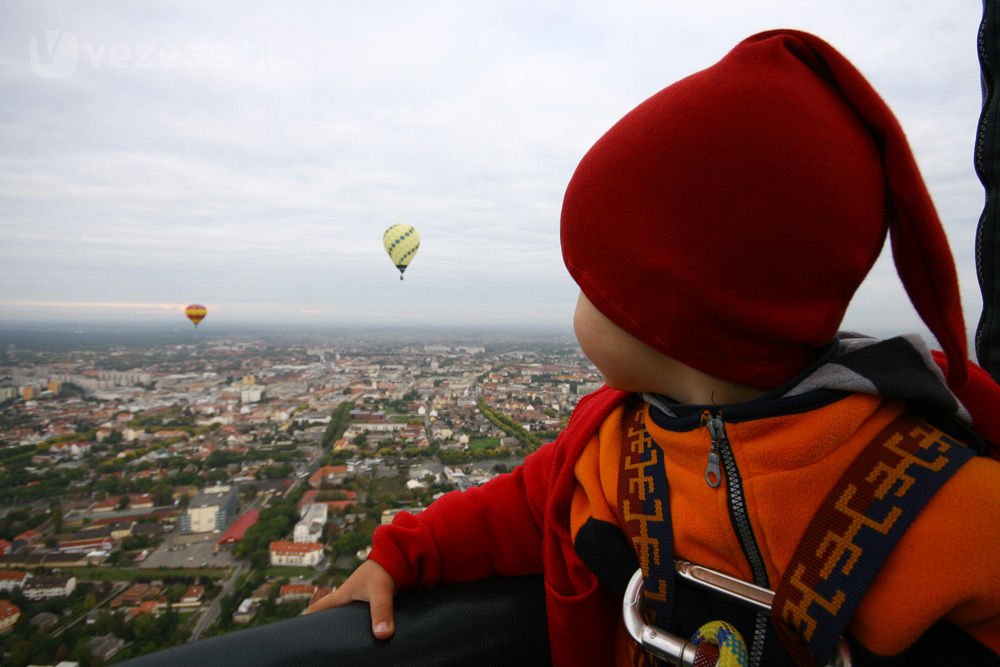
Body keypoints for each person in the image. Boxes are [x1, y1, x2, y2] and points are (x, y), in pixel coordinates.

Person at [306, 30, 1000, 665]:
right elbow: (516, 507)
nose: (575, 294)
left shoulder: (942, 496)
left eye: (591, 280)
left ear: (676, 318)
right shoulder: (609, 445)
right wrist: (399, 556)